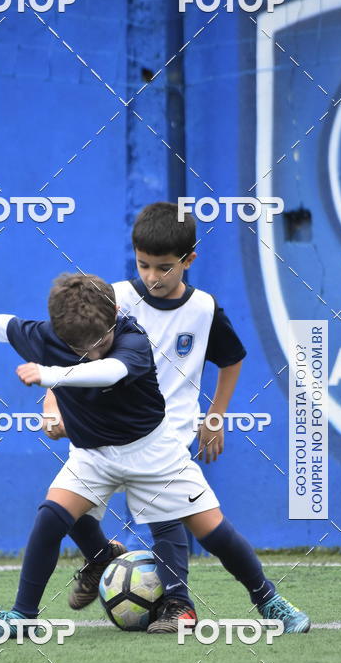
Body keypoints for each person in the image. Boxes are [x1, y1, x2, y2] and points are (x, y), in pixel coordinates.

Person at [0, 272, 310, 639]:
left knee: (215, 533)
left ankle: (269, 600)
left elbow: (110, 372)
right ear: (57, 333)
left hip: (155, 454)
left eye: (98, 342)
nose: (91, 353)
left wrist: (51, 375)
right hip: (93, 456)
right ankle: (21, 615)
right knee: (51, 517)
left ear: (115, 315)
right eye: (76, 348)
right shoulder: (48, 336)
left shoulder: (132, 340)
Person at [45, 202, 310, 633]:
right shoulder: (114, 299)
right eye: (144, 265)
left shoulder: (203, 309)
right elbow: (70, 352)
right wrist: (54, 402)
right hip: (106, 432)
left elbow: (231, 359)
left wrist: (215, 417)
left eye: (164, 267)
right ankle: (100, 559)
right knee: (63, 511)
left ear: (189, 260)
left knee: (204, 528)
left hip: (163, 437)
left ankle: (244, 601)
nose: (152, 276)